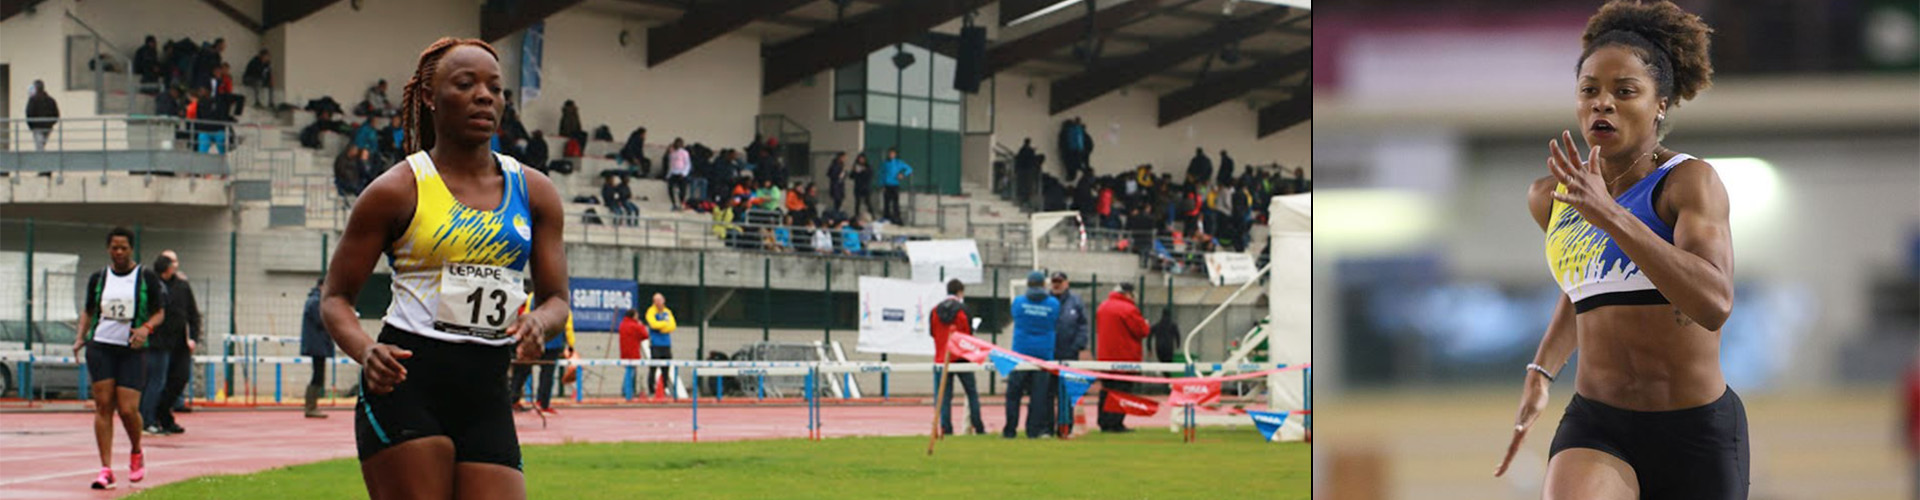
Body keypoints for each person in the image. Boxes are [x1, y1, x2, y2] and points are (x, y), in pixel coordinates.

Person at [1494, 4, 1743, 499]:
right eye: (1590, 91)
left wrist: (1611, 215)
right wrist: (1541, 372)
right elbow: (1586, 286)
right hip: (1597, 422)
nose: (1602, 103)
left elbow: (1713, 304)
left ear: (1660, 104)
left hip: (1694, 429)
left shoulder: (1689, 183)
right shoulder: (1551, 196)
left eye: (1624, 91)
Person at [319, 37, 569, 500]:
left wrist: (539, 321)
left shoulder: (535, 192)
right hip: (408, 382)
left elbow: (557, 299)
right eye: (466, 83)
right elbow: (334, 298)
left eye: (495, 88)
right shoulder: (396, 190)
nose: (484, 96)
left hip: (488, 390)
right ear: (431, 97)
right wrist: (365, 350)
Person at [73, 227, 168, 489]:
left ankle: (136, 451)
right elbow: (89, 311)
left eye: (123, 247)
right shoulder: (99, 278)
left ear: (131, 249)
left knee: (127, 409)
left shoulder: (145, 276)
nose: (119, 252)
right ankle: (105, 469)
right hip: (101, 346)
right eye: (114, 247)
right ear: (108, 249)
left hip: (131, 349)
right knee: (103, 405)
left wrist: (145, 329)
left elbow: (159, 313)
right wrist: (80, 337)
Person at [1004, 271, 1060, 439]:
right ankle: (1033, 431)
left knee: (1013, 394)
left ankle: (1010, 430)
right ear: (1044, 285)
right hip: (1043, 355)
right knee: (1038, 396)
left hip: (1020, 354)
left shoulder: (1019, 302)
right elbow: (1055, 321)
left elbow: (1015, 316)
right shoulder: (1053, 304)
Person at [151, 250, 200, 432]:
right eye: (173, 262)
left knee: (180, 378)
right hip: (159, 341)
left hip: (179, 342)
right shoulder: (153, 284)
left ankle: (163, 412)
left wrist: (193, 338)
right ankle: (155, 416)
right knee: (157, 381)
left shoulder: (182, 286)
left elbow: (193, 313)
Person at [930, 279, 986, 436]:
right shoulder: (963, 310)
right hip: (961, 357)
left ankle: (946, 428)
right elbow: (968, 335)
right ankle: (978, 427)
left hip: (942, 358)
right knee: (971, 393)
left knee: (944, 396)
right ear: (960, 292)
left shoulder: (935, 310)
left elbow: (933, 333)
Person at [139, 256, 186, 434]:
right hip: (159, 342)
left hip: (154, 341)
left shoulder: (154, 286)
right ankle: (147, 420)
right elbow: (164, 314)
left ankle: (147, 418)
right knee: (155, 382)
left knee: (150, 382)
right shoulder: (161, 289)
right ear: (167, 269)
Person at [1094, 283, 1150, 432]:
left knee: (1106, 390)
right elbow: (1141, 331)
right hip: (1125, 357)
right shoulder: (1129, 309)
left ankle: (1104, 422)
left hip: (1105, 357)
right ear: (1128, 294)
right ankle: (1115, 424)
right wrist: (1146, 324)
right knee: (1122, 392)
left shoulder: (1103, 307)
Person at [1045, 271, 1090, 437]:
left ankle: (1065, 427)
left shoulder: (1075, 301)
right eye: (1054, 281)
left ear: (1066, 283)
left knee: (1067, 393)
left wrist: (1077, 346)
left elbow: (1083, 326)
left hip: (1069, 355)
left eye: (1060, 281)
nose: (1057, 285)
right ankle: (1047, 428)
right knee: (1047, 393)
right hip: (1049, 356)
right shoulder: (1046, 301)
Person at [510, 308, 573, 413]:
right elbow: (568, 325)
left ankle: (513, 400)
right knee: (547, 374)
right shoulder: (562, 301)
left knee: (522, 371)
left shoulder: (532, 297)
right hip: (552, 343)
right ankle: (542, 404)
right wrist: (571, 344)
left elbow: (526, 315)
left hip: (534, 340)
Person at [300, 278, 332, 418]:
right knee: (317, 375)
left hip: (318, 344)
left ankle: (311, 406)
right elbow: (321, 320)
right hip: (317, 344)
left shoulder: (316, 300)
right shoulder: (315, 302)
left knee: (318, 375)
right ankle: (310, 407)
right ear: (321, 286)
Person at [644, 294, 677, 398]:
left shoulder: (667, 312)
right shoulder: (651, 312)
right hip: (655, 344)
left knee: (666, 367)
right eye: (656, 300)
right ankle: (651, 389)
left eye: (660, 300)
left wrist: (662, 326)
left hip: (666, 344)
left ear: (664, 301)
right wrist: (664, 325)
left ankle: (665, 388)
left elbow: (672, 326)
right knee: (653, 367)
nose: (658, 302)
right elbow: (653, 324)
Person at [617, 309, 648, 400]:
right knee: (631, 372)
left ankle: (627, 390)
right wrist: (641, 325)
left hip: (624, 351)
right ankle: (627, 391)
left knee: (628, 371)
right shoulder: (635, 325)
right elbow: (645, 335)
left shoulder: (623, 324)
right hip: (633, 351)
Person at [878, 148, 913, 224]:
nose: (891, 155)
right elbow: (881, 174)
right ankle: (886, 217)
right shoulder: (885, 163)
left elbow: (909, 169)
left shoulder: (898, 163)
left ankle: (897, 218)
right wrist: (882, 184)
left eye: (893, 154)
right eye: (890, 153)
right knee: (886, 202)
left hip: (895, 185)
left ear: (895, 154)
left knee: (895, 203)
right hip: (887, 185)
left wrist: (903, 174)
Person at [26, 81, 59, 151]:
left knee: (39, 147)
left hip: (37, 127)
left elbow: (29, 113)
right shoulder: (51, 100)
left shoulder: (32, 100)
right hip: (47, 127)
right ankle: (42, 160)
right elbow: (56, 114)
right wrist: (50, 123)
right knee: (41, 145)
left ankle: (40, 160)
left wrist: (31, 125)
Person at [849, 153, 875, 220]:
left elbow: (870, 175)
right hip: (858, 187)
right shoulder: (856, 166)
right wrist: (854, 171)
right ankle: (857, 216)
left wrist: (864, 170)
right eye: (860, 159)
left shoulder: (868, 166)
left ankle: (872, 216)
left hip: (866, 187)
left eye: (862, 159)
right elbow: (851, 176)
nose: (861, 160)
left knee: (868, 202)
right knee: (857, 203)